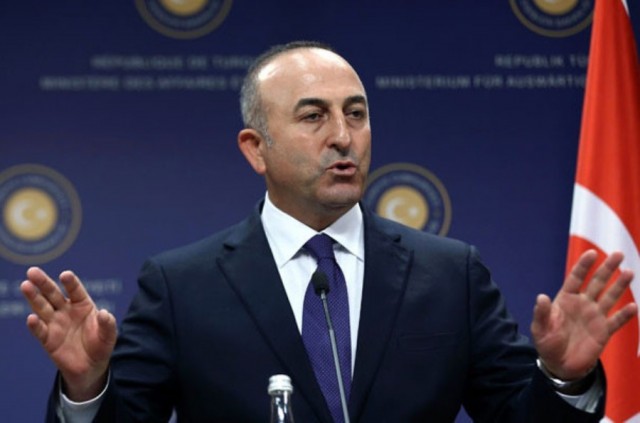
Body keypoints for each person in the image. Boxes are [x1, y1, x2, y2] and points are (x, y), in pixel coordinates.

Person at [21, 40, 637, 423]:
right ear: (255, 149)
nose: (343, 136)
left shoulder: (451, 274)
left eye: (356, 114)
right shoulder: (182, 286)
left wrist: (564, 378)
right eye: (313, 116)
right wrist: (87, 387)